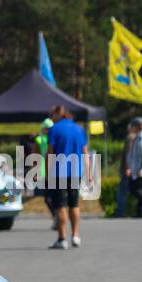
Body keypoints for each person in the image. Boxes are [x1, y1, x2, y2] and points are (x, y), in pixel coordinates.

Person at [45, 105, 89, 249]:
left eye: (52, 115)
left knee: (61, 206)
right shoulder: (79, 129)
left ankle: (62, 238)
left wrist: (47, 171)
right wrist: (89, 172)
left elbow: (50, 153)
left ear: (59, 114)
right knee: (74, 204)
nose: (51, 118)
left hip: (59, 172)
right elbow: (85, 152)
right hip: (76, 171)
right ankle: (76, 236)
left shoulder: (54, 129)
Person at [116, 122, 136, 218]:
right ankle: (126, 211)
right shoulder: (135, 137)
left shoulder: (130, 137)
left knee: (122, 192)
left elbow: (128, 153)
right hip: (132, 169)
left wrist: (127, 167)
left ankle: (120, 212)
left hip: (127, 170)